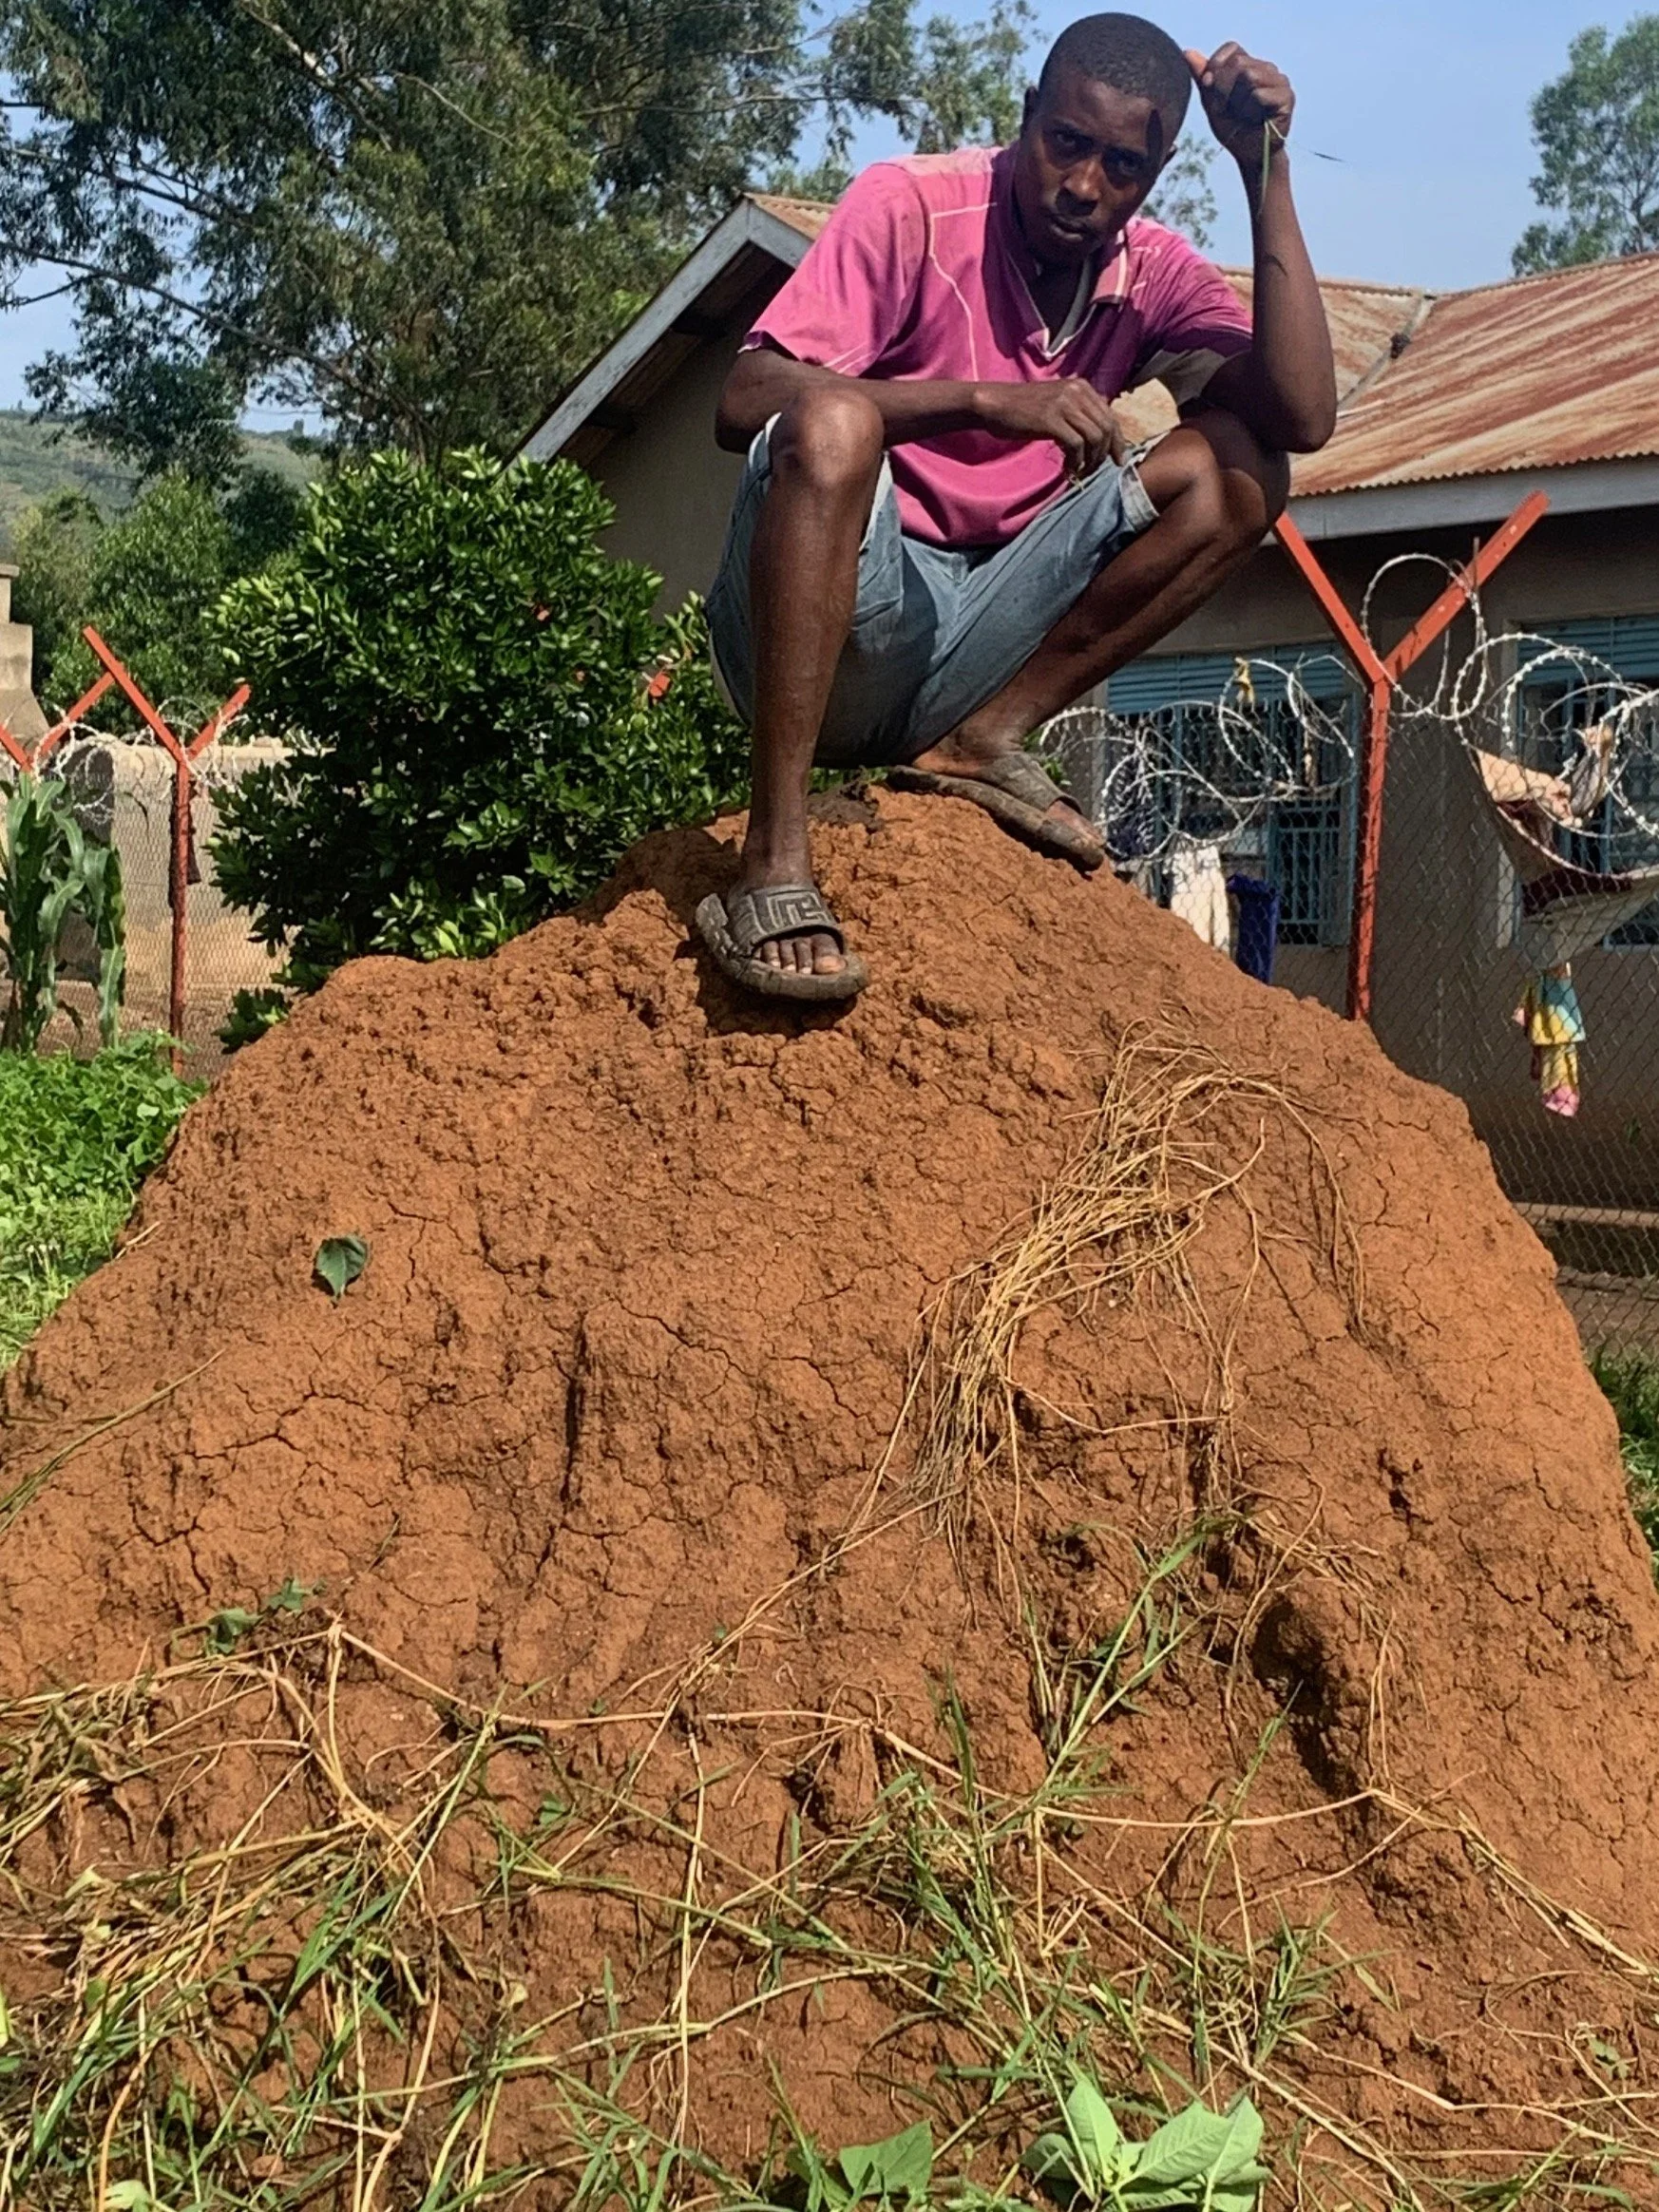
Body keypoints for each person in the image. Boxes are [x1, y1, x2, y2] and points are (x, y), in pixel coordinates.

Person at [696, 10, 1337, 1001]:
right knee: (831, 423)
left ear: (1160, 170)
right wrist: (983, 400)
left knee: (1242, 469)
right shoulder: (912, 205)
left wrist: (1264, 166)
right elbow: (744, 402)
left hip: (974, 642)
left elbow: (1301, 412)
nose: (1085, 185)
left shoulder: (1150, 276)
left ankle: (980, 741)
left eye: (1123, 165)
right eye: (1067, 143)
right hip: (830, 618)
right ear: (1027, 115)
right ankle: (773, 859)